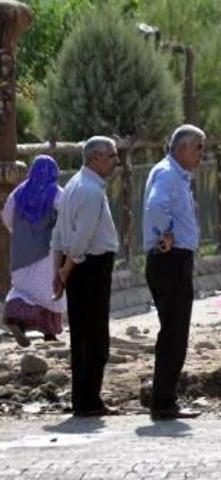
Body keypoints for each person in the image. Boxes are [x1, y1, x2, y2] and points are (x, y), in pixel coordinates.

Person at [142, 124, 207, 420]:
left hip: (174, 259)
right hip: (171, 260)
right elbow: (156, 205)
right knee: (174, 332)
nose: (202, 154)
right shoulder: (168, 174)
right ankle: (164, 401)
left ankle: (163, 397)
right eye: (199, 147)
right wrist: (164, 234)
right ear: (182, 148)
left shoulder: (176, 175)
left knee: (173, 330)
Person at [52, 136, 120, 417]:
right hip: (90, 266)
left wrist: (60, 270)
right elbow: (80, 238)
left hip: (78, 266)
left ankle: (83, 399)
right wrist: (65, 269)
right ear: (95, 158)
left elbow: (58, 233)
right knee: (94, 337)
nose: (116, 161)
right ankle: (89, 400)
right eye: (112, 155)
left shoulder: (73, 185)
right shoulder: (90, 190)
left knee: (81, 334)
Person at [2, 155, 65, 347]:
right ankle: (49, 333)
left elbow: (6, 216)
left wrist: (20, 233)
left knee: (23, 287)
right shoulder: (56, 192)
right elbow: (67, 215)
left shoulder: (18, 193)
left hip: (22, 250)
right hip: (48, 251)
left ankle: (17, 321)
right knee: (49, 289)